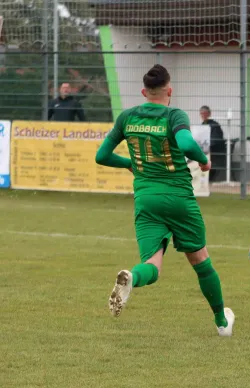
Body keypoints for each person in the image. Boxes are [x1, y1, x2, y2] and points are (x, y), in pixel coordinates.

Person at [95, 64, 234, 337]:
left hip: (146, 199)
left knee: (152, 266)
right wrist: (204, 161)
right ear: (169, 91)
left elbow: (101, 156)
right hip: (179, 198)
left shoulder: (127, 117)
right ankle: (221, 321)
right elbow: (186, 144)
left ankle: (132, 278)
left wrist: (130, 164)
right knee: (201, 261)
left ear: (143, 92)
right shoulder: (174, 115)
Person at [200, 106, 226, 182]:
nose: (203, 115)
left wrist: (206, 146)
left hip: (215, 152)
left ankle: (208, 179)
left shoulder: (214, 125)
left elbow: (216, 141)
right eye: (201, 113)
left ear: (209, 114)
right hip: (205, 150)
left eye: (204, 113)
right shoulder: (202, 125)